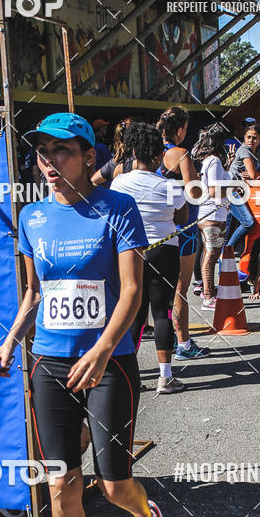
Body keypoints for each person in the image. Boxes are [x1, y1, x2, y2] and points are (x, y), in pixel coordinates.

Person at [0, 112, 173, 517]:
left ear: (89, 156)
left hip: (109, 362)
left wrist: (104, 349)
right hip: (48, 361)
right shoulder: (32, 217)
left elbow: (133, 292)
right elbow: (34, 294)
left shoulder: (117, 208)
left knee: (114, 486)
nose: (48, 160)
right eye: (41, 151)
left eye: (61, 150)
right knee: (60, 481)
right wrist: (8, 342)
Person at [111, 122, 187, 394]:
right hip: (164, 250)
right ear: (158, 157)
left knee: (134, 313)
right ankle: (165, 377)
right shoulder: (167, 185)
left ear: (132, 152)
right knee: (162, 310)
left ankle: (129, 377)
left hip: (129, 252)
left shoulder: (119, 183)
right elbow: (182, 217)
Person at [156, 106, 208, 361]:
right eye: (186, 129)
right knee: (179, 289)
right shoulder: (181, 154)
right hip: (183, 229)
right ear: (179, 130)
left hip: (156, 228)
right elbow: (194, 192)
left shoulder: (149, 153)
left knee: (153, 291)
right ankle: (184, 344)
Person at [192, 123, 232, 310]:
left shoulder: (209, 161)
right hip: (213, 214)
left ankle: (207, 291)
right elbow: (215, 190)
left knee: (209, 253)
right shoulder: (214, 161)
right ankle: (208, 296)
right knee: (211, 255)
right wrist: (236, 186)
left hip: (207, 214)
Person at [225, 123, 260, 253]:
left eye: (255, 137)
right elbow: (253, 175)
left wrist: (255, 175)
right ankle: (228, 250)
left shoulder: (259, 151)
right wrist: (255, 175)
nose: (251, 140)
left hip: (242, 192)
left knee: (230, 228)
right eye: (248, 137)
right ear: (244, 138)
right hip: (232, 191)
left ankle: (226, 256)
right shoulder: (244, 150)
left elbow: (257, 174)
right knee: (248, 222)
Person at [91, 116, 139, 187]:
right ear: (100, 128)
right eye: (104, 127)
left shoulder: (92, 144)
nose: (106, 129)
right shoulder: (101, 147)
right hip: (107, 181)